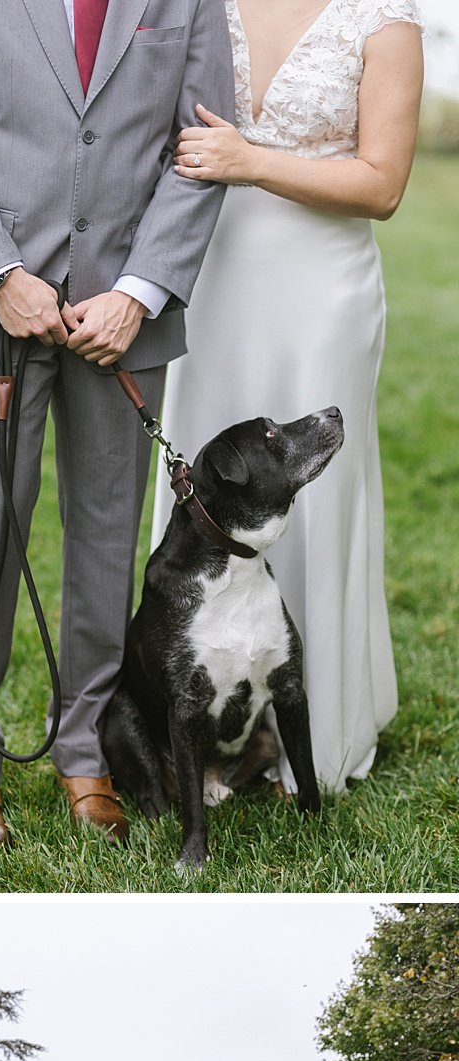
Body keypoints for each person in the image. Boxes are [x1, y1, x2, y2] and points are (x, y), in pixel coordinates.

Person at [0, 0, 235, 848]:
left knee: (107, 536)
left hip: (126, 317)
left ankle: (87, 749)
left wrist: (141, 289)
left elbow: (201, 148)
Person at [152, 0, 424, 796]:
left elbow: (382, 184)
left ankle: (316, 722)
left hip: (322, 289)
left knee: (315, 493)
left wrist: (249, 161)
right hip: (213, 273)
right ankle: (200, 715)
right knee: (210, 485)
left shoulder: (386, 18)